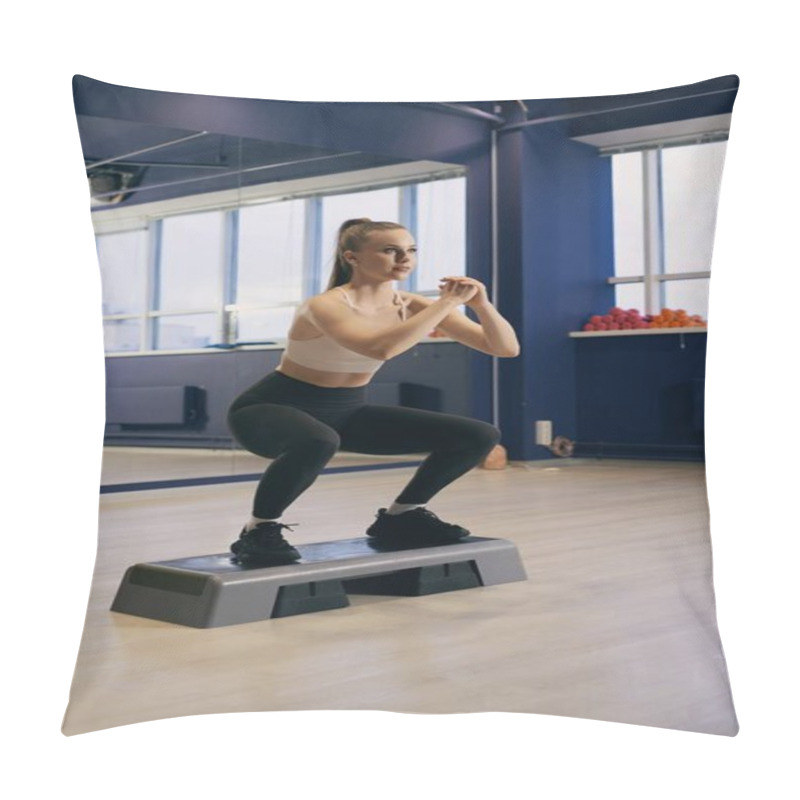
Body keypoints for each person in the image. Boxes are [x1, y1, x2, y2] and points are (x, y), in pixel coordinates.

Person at [226, 218, 520, 564]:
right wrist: (444, 305)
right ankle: (258, 530)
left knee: (478, 435)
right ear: (352, 257)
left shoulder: (413, 306)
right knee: (317, 440)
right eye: (390, 250)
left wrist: (481, 305)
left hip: (346, 412)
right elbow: (378, 349)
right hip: (270, 408)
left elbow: (505, 348)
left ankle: (402, 517)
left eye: (410, 250)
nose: (404, 258)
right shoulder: (326, 305)